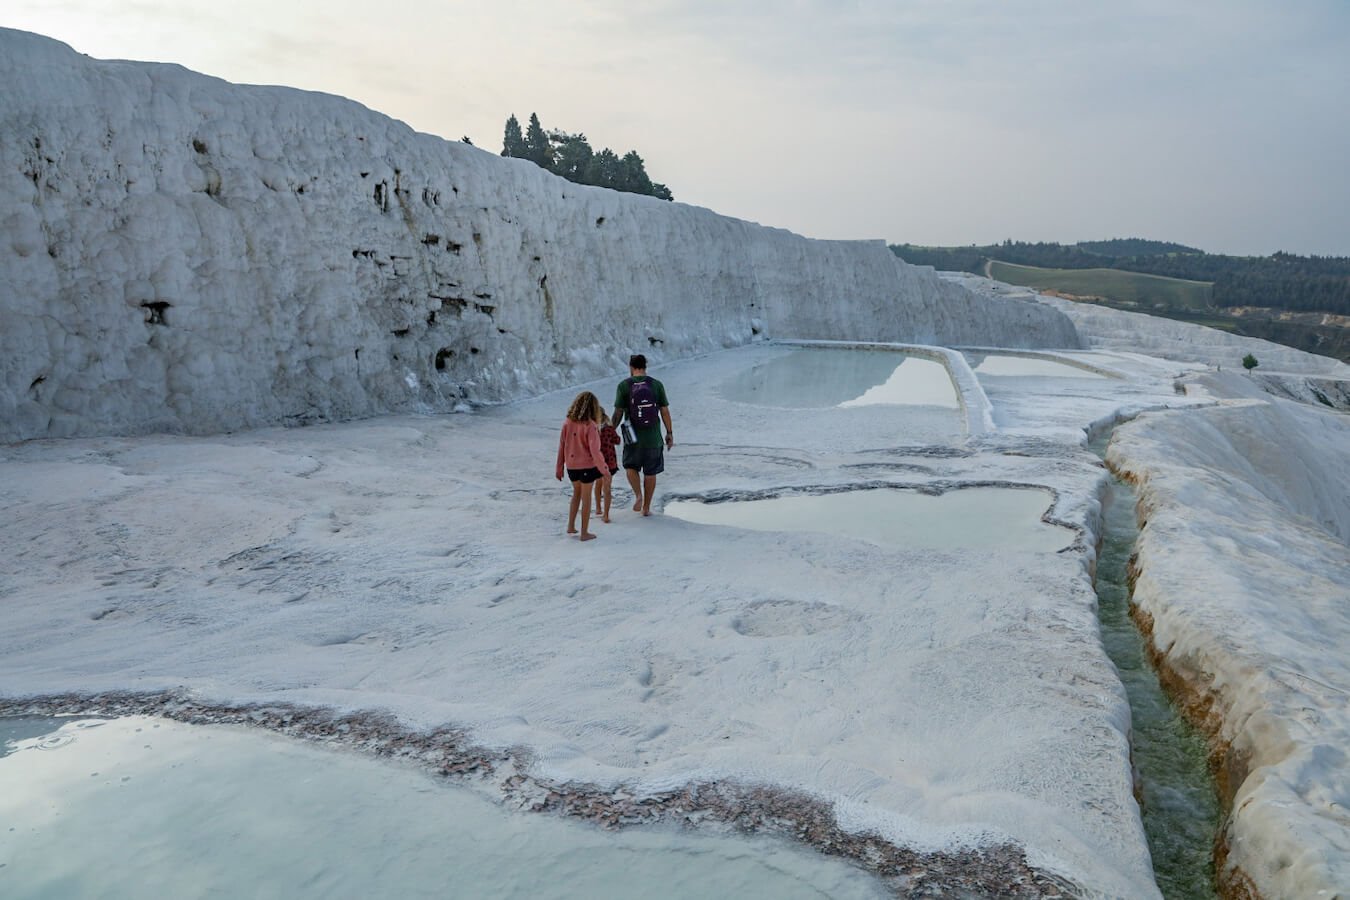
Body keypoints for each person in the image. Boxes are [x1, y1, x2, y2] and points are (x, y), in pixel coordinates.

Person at [612, 354, 674, 517]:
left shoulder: (624, 386)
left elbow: (618, 412)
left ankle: (638, 495)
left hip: (632, 437)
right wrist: (669, 433)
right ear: (645, 367)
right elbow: (664, 411)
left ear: (631, 367)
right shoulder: (656, 385)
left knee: (630, 466)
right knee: (650, 472)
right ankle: (646, 507)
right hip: (653, 437)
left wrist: (611, 429)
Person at [555, 391, 609, 541]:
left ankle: (571, 526)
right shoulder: (590, 425)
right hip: (586, 466)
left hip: (571, 467)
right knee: (586, 498)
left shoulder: (567, 422)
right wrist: (604, 469)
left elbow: (561, 446)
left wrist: (559, 468)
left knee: (576, 495)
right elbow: (595, 451)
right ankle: (584, 533)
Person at [593, 413, 621, 523]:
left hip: (597, 462)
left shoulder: (592, 430)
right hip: (609, 462)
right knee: (607, 488)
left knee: (598, 484)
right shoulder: (609, 429)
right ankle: (606, 515)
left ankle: (598, 508)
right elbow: (617, 441)